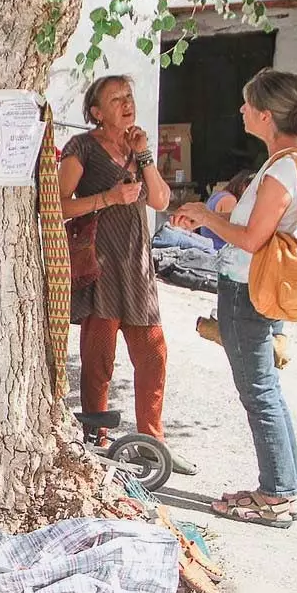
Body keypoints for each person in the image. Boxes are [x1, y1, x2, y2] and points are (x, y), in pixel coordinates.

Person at [172, 68, 297, 528]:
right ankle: (282, 486)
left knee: (259, 393)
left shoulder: (282, 167)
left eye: (246, 105)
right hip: (260, 288)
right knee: (266, 391)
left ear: (265, 115)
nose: (239, 111)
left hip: (248, 289)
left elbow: (253, 239)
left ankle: (277, 494)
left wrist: (204, 214)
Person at [58, 75, 195, 475]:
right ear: (97, 113)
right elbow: (58, 206)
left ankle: (154, 442)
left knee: (153, 353)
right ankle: (95, 439)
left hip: (137, 268)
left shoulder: (138, 149)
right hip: (100, 268)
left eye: (128, 96)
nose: (126, 103)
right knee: (98, 358)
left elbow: (161, 200)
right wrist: (108, 198)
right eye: (115, 98)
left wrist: (146, 155)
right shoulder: (81, 147)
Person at [199, 170, 255, 250]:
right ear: (242, 186)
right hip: (218, 249)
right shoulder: (229, 200)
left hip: (209, 245)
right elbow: (230, 232)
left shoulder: (218, 194)